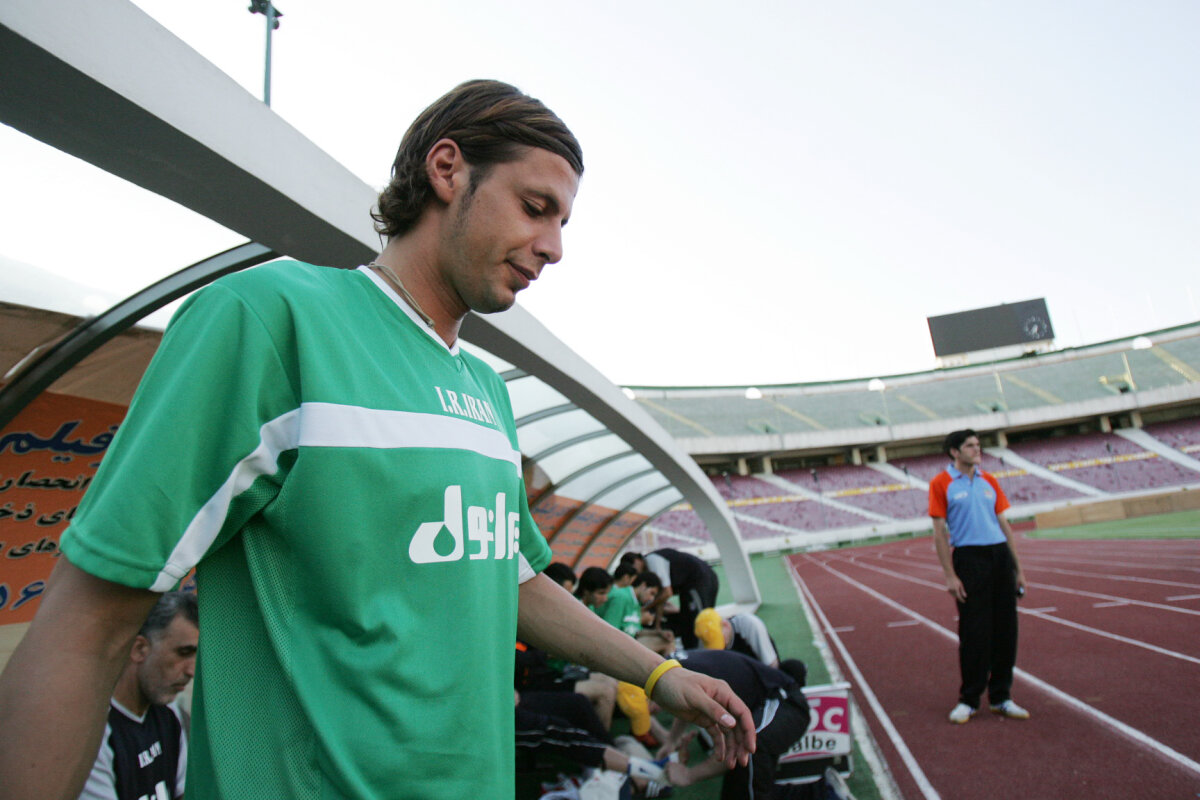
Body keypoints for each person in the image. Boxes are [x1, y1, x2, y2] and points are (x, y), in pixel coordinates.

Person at [0, 80, 755, 800]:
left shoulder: (489, 391)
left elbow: (513, 578)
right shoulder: (269, 319)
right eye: (535, 207)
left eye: (563, 223)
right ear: (447, 169)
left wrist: (658, 675)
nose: (554, 246)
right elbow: (88, 625)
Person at [930, 429, 1030, 724]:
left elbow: (1003, 523)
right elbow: (939, 532)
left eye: (978, 445)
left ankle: (1001, 697)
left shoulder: (990, 480)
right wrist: (950, 576)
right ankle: (969, 699)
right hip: (969, 558)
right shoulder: (941, 483)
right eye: (970, 445)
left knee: (1006, 630)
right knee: (974, 632)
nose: (977, 449)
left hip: (999, 556)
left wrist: (1018, 569)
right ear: (954, 451)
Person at [80, 591, 198, 800]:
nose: (191, 671)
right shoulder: (93, 734)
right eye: (183, 653)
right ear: (139, 648)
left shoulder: (170, 714)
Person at [659, 650, 811, 800]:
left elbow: (739, 745)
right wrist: (672, 740)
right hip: (768, 702)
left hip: (786, 701)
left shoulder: (674, 675)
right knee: (739, 782)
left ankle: (821, 791)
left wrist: (688, 775)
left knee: (751, 744)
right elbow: (687, 700)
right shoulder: (673, 670)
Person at [623, 549, 719, 648]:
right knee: (687, 621)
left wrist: (645, 609)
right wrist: (658, 627)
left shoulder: (652, 560)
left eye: (633, 569)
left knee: (698, 621)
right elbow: (662, 598)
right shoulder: (652, 564)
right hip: (694, 584)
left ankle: (700, 652)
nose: (635, 574)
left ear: (636, 560)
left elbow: (666, 593)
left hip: (699, 580)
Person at [694, 608, 780, 668]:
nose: (723, 645)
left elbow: (772, 666)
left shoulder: (749, 625)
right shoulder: (705, 638)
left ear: (725, 625)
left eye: (720, 638)